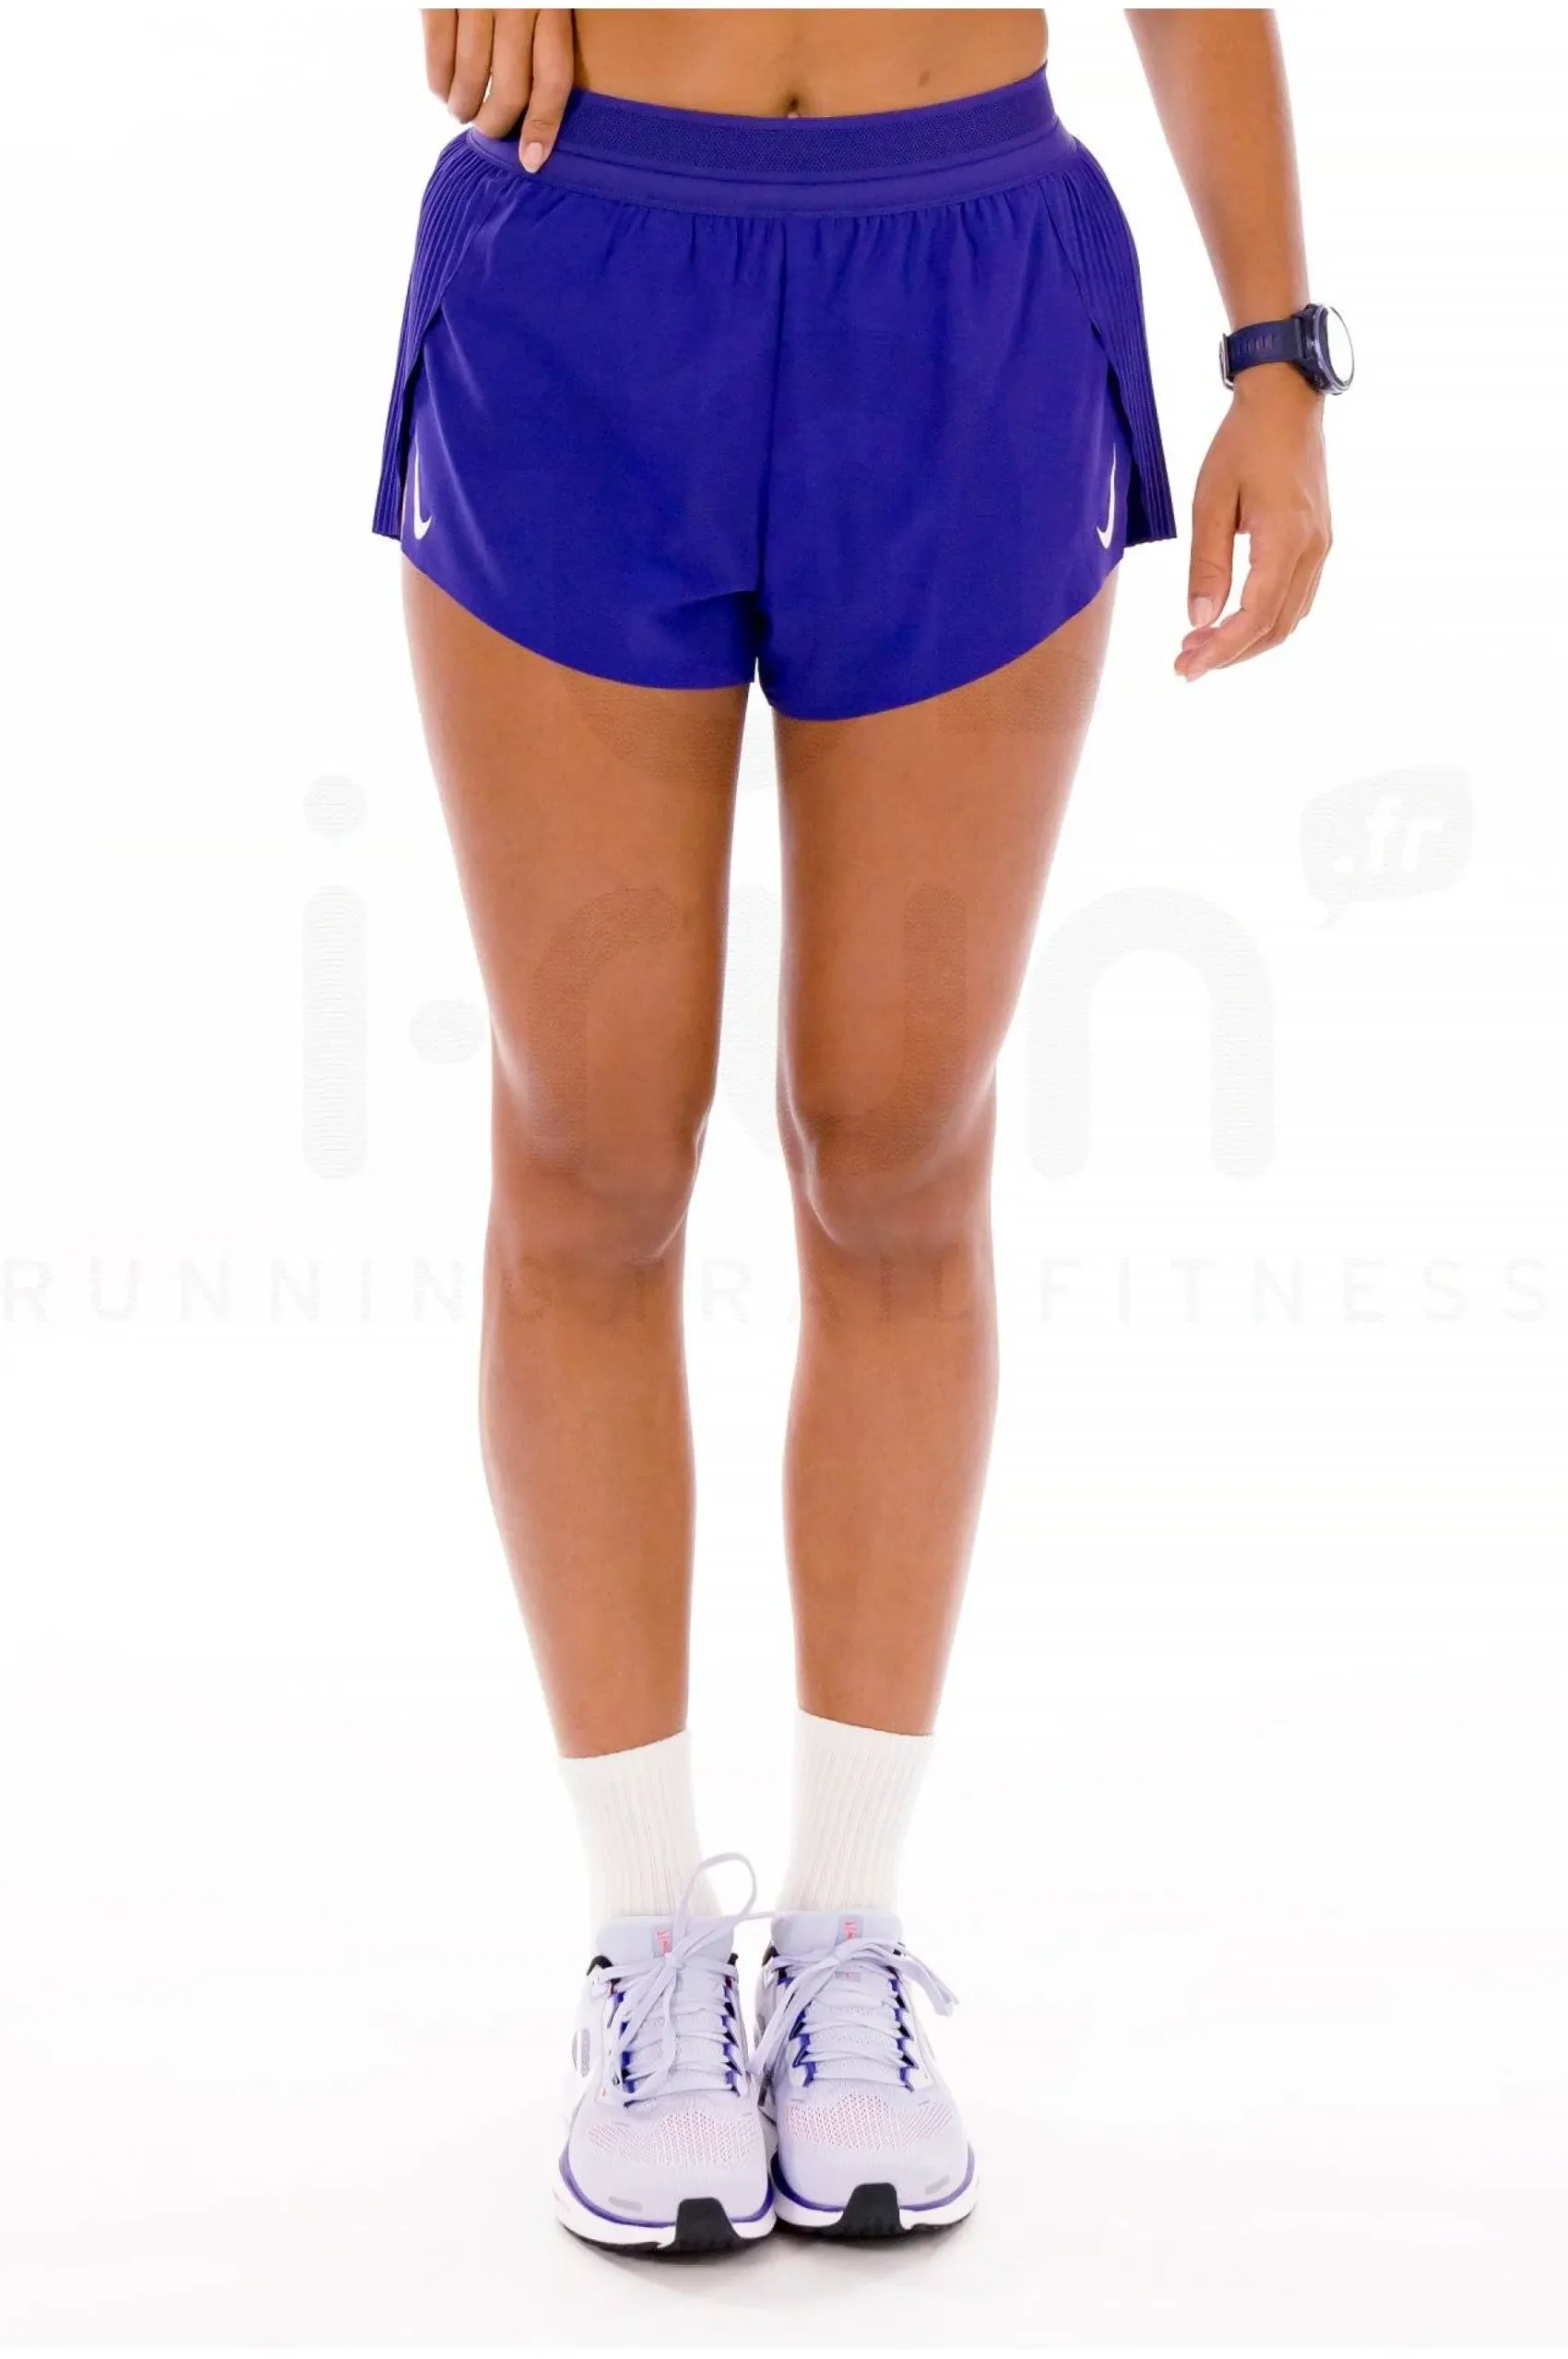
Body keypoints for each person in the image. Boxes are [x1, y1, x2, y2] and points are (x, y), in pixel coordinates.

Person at [375, 6, 1343, 2253]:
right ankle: (647, 1941)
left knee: (896, 1150)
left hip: (961, 275)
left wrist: (1275, 350)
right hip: (586, 248)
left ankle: (840, 1932)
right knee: (590, 1156)